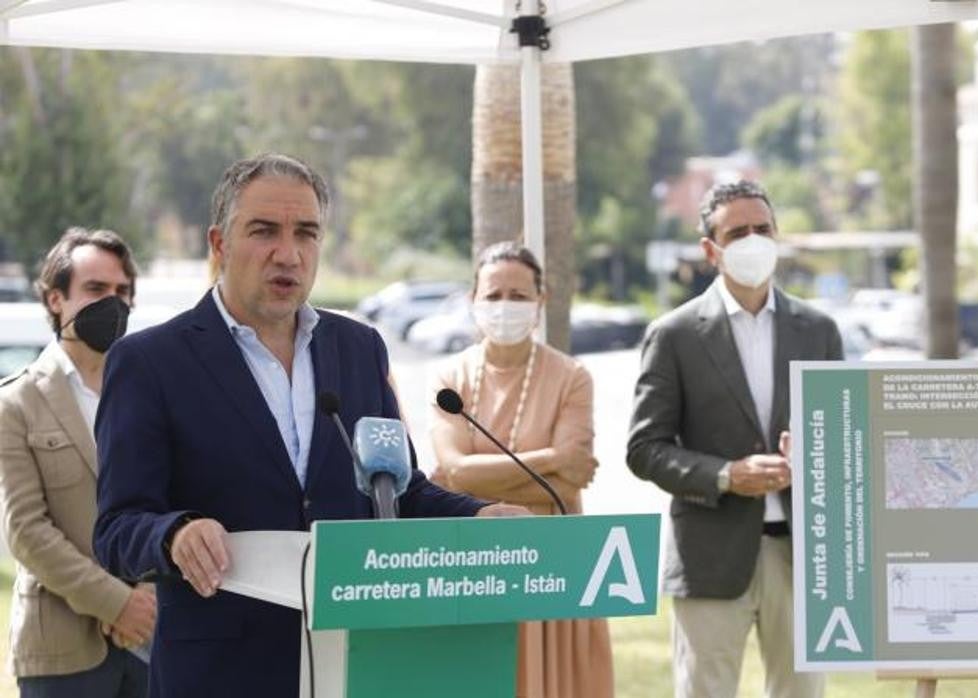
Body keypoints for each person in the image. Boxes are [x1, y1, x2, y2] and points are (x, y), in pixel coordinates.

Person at [91, 153, 525, 698]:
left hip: (353, 664)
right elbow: (116, 528)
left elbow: (396, 487)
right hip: (219, 674)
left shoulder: (358, 348)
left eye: (307, 233)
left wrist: (479, 515)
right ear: (219, 244)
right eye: (264, 231)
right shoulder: (149, 362)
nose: (288, 254)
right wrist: (174, 532)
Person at [627, 181, 842, 698]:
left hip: (801, 554)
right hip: (709, 555)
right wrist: (727, 475)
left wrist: (815, 460)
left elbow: (843, 436)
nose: (753, 240)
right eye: (737, 232)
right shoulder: (674, 334)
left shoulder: (819, 330)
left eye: (762, 229)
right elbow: (645, 449)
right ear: (710, 249)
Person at [428, 241, 612, 698]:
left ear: (540, 302)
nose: (505, 306)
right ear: (473, 300)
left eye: (518, 295)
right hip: (472, 561)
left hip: (553, 563)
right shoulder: (450, 379)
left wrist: (480, 475)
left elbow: (573, 481)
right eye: (493, 295)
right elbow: (455, 471)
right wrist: (551, 460)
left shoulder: (572, 376)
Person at [0, 228, 154, 697]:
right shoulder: (15, 403)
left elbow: (174, 499)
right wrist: (115, 603)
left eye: (122, 291)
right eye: (95, 289)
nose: (113, 302)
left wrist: (147, 599)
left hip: (152, 637)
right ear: (55, 300)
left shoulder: (151, 395)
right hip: (61, 652)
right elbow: (27, 531)